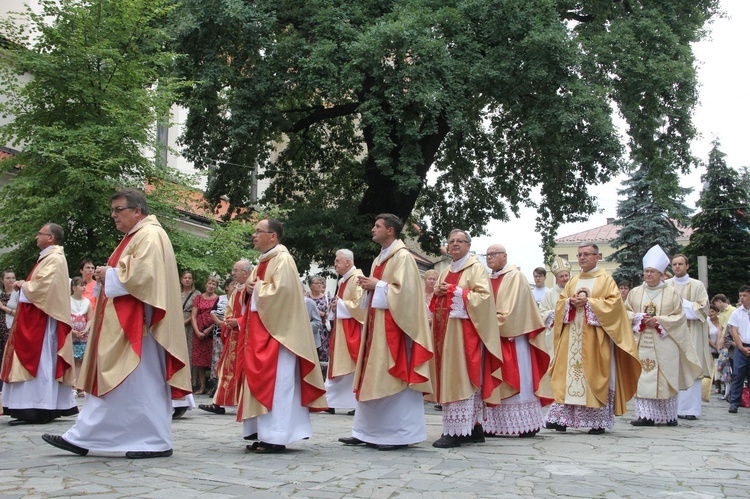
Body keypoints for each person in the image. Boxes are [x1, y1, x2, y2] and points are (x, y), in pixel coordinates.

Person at [42, 189, 191, 458]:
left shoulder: (149, 234)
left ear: (137, 211)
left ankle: (152, 441)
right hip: (129, 324)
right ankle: (96, 436)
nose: (113, 215)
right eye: (112, 210)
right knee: (126, 384)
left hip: (140, 328)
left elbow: (142, 276)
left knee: (135, 382)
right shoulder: (137, 235)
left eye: (118, 209)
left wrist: (107, 273)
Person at [338, 213, 433, 451]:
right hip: (376, 327)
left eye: (377, 226)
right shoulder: (380, 258)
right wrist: (371, 288)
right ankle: (366, 431)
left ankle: (395, 435)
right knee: (371, 377)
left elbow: (407, 295)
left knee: (391, 377)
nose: (372, 229)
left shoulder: (403, 257)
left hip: (395, 331)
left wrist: (377, 286)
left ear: (390, 231)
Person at [239, 218, 327, 453]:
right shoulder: (262, 262)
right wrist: (247, 291)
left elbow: (282, 294)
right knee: (266, 383)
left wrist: (255, 289)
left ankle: (277, 436)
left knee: (279, 385)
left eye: (259, 231)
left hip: (280, 336)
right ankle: (264, 433)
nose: (254, 235)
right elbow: (250, 292)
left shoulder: (283, 260)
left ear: (273, 236)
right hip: (262, 332)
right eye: (254, 231)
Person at [544, 242, 640, 434]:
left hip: (595, 340)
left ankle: (596, 421)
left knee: (592, 378)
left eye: (586, 254)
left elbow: (614, 307)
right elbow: (561, 302)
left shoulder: (606, 280)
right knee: (567, 377)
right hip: (571, 337)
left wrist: (588, 303)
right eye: (579, 255)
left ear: (597, 257)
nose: (581, 258)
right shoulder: (572, 281)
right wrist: (569, 303)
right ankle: (562, 419)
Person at [429, 231, 501, 448]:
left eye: (459, 241)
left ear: (469, 245)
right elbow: (438, 300)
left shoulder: (475, 268)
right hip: (445, 333)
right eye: (451, 241)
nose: (454, 245)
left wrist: (453, 290)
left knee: (460, 377)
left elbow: (484, 298)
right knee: (454, 376)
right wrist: (438, 291)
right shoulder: (446, 270)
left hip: (464, 335)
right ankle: (474, 428)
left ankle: (457, 432)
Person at [1, 224, 77, 425]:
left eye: (40, 234)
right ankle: (33, 406)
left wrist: (23, 285)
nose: (36, 237)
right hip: (36, 317)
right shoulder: (48, 257)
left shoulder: (54, 258)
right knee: (39, 361)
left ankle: (37, 408)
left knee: (41, 361)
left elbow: (43, 288)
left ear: (51, 238)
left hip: (42, 321)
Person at [626, 245, 702, 427]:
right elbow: (625, 312)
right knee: (642, 377)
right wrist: (639, 318)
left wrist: (659, 320)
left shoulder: (671, 292)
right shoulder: (635, 292)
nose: (648, 275)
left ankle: (668, 416)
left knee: (665, 378)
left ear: (661, 273)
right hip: (641, 341)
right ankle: (645, 416)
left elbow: (679, 316)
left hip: (664, 342)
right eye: (646, 271)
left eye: (652, 271)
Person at [484, 244, 552, 438]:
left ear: (505, 256)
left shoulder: (516, 277)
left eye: (493, 254)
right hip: (494, 336)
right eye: (487, 255)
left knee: (519, 376)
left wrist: (488, 323)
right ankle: (494, 424)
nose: (489, 258)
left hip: (515, 337)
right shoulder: (488, 278)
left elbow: (513, 311)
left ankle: (526, 424)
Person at [200, 261, 251, 415]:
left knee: (243, 371)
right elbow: (229, 311)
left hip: (247, 338)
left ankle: (244, 403)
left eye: (235, 270)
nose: (232, 273)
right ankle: (219, 402)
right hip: (233, 337)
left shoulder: (252, 290)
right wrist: (228, 321)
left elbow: (258, 314)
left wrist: (239, 322)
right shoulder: (237, 291)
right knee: (225, 369)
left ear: (245, 273)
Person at [667, 254, 712, 420]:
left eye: (680, 264)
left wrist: (682, 306)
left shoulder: (697, 285)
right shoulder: (666, 285)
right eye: (674, 264)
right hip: (671, 334)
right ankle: (671, 408)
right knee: (672, 368)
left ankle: (690, 410)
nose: (677, 267)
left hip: (692, 334)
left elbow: (703, 310)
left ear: (687, 266)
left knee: (692, 367)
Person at [325, 249, 366, 415]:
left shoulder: (357, 278)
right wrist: (336, 306)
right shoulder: (344, 280)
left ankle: (354, 403)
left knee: (351, 367)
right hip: (342, 329)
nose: (335, 264)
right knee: (339, 365)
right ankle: (331, 401)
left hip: (353, 329)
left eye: (337, 261)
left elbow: (360, 305)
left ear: (348, 262)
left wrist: (339, 305)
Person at [191, 274, 220, 395]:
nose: (211, 286)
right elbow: (193, 315)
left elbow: (219, 315)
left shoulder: (218, 298)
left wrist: (209, 329)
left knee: (212, 359)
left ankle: (212, 386)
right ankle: (202, 385)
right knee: (199, 360)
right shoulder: (198, 298)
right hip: (198, 329)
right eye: (210, 283)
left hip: (211, 330)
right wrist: (197, 330)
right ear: (205, 284)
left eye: (214, 284)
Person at [539, 257, 571, 364]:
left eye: (566, 275)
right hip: (556, 333)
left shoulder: (575, 290)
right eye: (561, 276)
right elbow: (542, 312)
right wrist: (556, 313)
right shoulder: (549, 293)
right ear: (556, 279)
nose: (565, 278)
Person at [209, 277, 235, 395]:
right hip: (219, 333)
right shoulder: (220, 298)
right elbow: (212, 312)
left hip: (232, 334)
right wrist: (219, 323)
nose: (235, 287)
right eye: (233, 285)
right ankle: (214, 385)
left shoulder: (239, 299)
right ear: (226, 287)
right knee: (216, 359)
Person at [727, 286, 750, 414]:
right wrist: (740, 347)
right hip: (741, 346)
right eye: (740, 295)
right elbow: (734, 331)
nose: (742, 298)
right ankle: (734, 402)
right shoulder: (736, 312)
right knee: (737, 374)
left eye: (745, 295)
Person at [69, 277, 92, 397]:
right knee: (72, 360)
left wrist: (85, 330)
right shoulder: (67, 301)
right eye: (81, 285)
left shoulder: (87, 302)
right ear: (74, 287)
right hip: (71, 335)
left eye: (85, 285)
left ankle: (80, 386)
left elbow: (90, 319)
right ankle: (72, 385)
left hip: (83, 335)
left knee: (81, 360)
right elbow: (65, 318)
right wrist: (73, 331)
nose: (84, 287)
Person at [306, 276, 331, 363]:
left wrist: (323, 314)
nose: (320, 285)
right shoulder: (306, 298)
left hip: (324, 330)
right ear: (310, 286)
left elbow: (331, 314)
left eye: (321, 283)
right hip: (310, 330)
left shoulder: (327, 298)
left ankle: (322, 375)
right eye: (317, 283)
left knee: (323, 354)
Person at [180, 270, 198, 387]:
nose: (187, 280)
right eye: (185, 278)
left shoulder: (196, 294)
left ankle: (191, 380)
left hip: (189, 324)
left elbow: (195, 313)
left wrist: (185, 322)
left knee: (189, 351)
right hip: (176, 322)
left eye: (189, 278)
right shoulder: (176, 292)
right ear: (181, 280)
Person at [0, 269, 17, 393]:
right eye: (8, 278)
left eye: (12, 278)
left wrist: (4, 308)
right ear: (2, 280)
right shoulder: (1, 295)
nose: (11, 280)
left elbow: (21, 314)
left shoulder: (18, 295)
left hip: (12, 330)